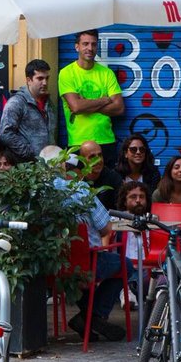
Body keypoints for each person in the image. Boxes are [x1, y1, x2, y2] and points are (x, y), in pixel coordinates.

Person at [43, 145, 126, 343]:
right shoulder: (80, 190)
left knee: (84, 270)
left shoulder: (37, 194)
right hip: (86, 263)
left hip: (50, 267)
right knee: (125, 265)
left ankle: (88, 318)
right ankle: (93, 317)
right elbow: (106, 229)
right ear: (63, 165)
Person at [59, 30, 124, 164]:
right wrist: (104, 100)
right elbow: (76, 107)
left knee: (108, 184)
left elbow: (118, 108)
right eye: (85, 44)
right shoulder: (66, 73)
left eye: (94, 44)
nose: (90, 48)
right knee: (77, 184)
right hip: (78, 143)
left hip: (106, 142)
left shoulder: (107, 73)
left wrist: (86, 105)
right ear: (77, 46)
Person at [0, 59, 57, 164]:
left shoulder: (49, 103)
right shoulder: (17, 102)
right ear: (29, 80)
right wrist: (29, 153)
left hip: (48, 166)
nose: (45, 83)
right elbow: (5, 133)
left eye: (47, 78)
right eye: (40, 78)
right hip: (26, 167)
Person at [79, 139, 122, 211]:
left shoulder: (114, 179)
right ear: (82, 160)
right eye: (92, 157)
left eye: (100, 155)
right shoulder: (78, 182)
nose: (98, 160)